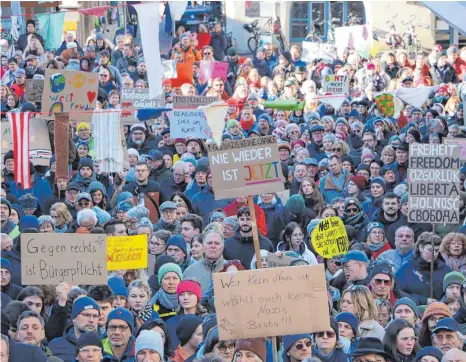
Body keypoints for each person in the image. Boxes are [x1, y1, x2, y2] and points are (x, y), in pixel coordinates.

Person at [396, 232, 452, 304]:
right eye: (430, 250)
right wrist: (423, 300)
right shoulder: (406, 269)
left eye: (437, 251)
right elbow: (398, 292)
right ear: (421, 248)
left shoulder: (446, 269)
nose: (434, 254)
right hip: (414, 311)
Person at [48, 297, 101, 362]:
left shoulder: (105, 343)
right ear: (74, 318)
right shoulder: (56, 345)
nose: (91, 320)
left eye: (95, 316)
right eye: (87, 315)